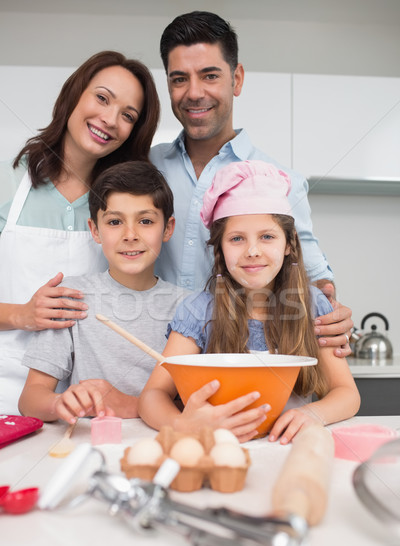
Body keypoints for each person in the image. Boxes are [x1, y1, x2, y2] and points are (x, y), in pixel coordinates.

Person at [150, 10, 353, 356]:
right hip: (145, 359)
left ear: (237, 78)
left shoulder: (279, 182)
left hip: (232, 363)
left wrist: (334, 318)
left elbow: (317, 284)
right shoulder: (146, 167)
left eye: (210, 75)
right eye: (179, 79)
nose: (194, 92)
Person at [139, 161, 360, 443]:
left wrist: (314, 414)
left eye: (267, 237)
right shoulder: (199, 311)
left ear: (289, 243)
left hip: (288, 451)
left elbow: (347, 393)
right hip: (221, 451)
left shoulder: (313, 305)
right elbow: (152, 396)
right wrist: (181, 425)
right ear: (219, 249)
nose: (252, 251)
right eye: (237, 239)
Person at [0, 50, 160, 414]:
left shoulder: (119, 205)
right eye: (102, 98)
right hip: (6, 393)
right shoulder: (9, 179)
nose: (109, 119)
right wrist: (20, 314)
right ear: (74, 94)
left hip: (86, 404)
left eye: (127, 116)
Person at [19, 161, 188, 423]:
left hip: (164, 440)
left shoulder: (190, 308)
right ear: (95, 230)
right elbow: (30, 399)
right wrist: (60, 402)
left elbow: (192, 404)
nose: (130, 235)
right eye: (114, 222)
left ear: (167, 228)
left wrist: (129, 405)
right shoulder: (71, 297)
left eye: (145, 221)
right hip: (89, 442)